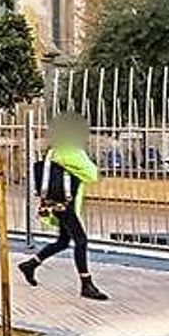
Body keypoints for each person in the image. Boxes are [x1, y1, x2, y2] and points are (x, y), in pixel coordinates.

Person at [18, 113, 108, 301]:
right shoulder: (71, 151)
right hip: (65, 204)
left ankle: (31, 265)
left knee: (63, 242)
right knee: (81, 241)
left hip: (57, 203)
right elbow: (93, 175)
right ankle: (86, 284)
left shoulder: (54, 150)